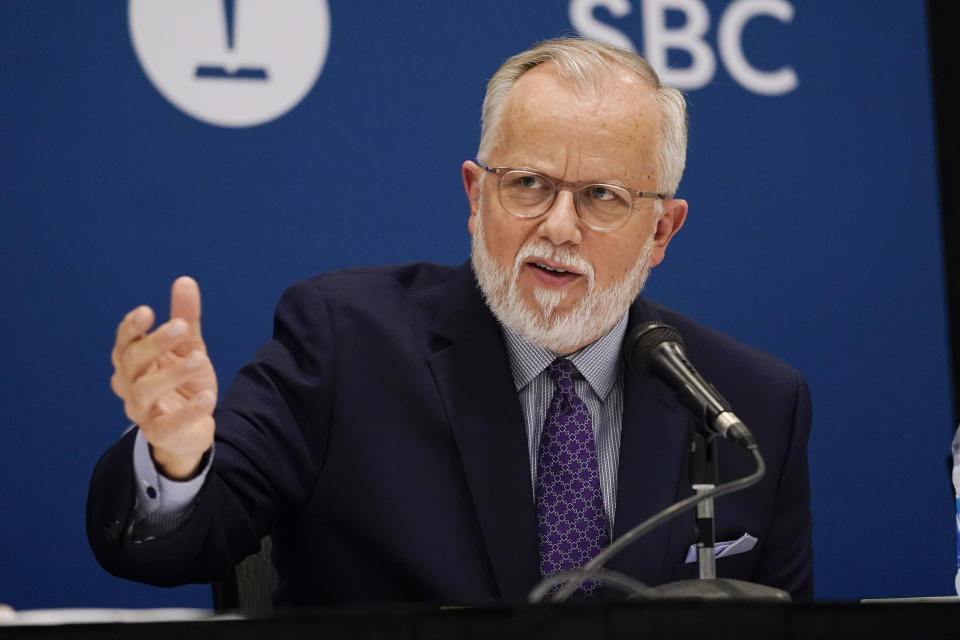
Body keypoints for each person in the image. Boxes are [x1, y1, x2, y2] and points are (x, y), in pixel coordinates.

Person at [87, 38, 813, 606]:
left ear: (661, 231)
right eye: (528, 184)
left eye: (602, 196)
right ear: (476, 195)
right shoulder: (345, 344)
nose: (557, 227)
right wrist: (176, 463)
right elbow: (176, 546)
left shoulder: (749, 408)